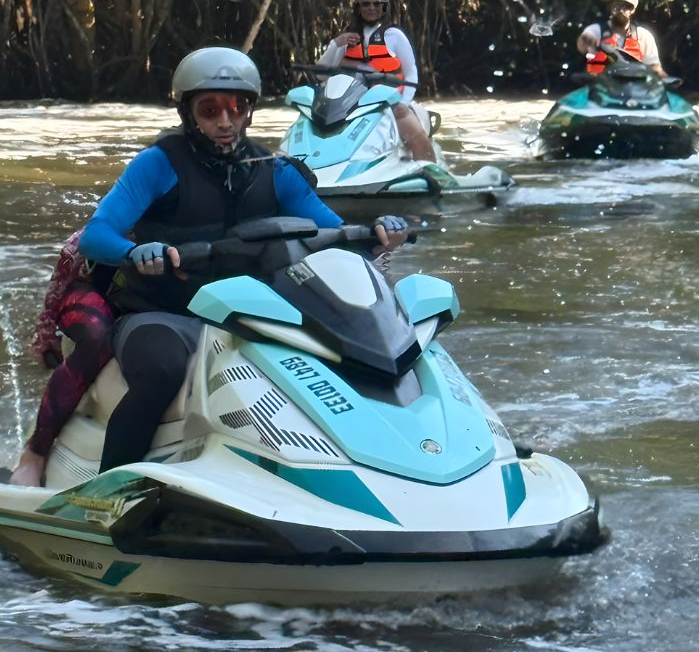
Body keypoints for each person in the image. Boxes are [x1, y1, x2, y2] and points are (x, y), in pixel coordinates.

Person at [79, 46, 408, 474]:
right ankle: (108, 490)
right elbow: (96, 235)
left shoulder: (277, 171)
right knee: (161, 371)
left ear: (250, 111)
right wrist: (134, 251)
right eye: (210, 109)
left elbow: (334, 235)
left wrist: (380, 235)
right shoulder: (157, 164)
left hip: (252, 318)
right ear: (188, 113)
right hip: (161, 314)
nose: (224, 121)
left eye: (236, 108)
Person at [10, 231, 114, 486]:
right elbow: (85, 242)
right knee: (97, 339)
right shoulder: (134, 196)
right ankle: (35, 454)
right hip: (92, 283)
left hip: (164, 292)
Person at [318, 0, 437, 163]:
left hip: (390, 102)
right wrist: (335, 44)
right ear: (358, 7)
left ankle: (429, 167)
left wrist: (403, 102)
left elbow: (411, 72)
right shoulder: (347, 37)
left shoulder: (394, 35)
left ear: (383, 7)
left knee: (407, 123)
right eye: (366, 4)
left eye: (376, 4)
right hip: (351, 102)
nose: (371, 8)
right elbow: (321, 74)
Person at [577, 0, 667, 78]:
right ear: (609, 7)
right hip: (601, 85)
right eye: (616, 6)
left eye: (626, 6)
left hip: (635, 87)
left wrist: (664, 79)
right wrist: (586, 40)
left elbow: (654, 66)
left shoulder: (643, 35)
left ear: (632, 10)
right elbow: (582, 43)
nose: (620, 10)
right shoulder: (596, 30)